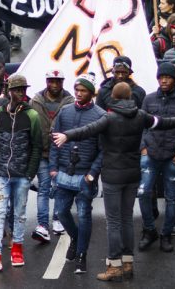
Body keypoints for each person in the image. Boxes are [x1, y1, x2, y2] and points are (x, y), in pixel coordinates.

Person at [54, 82, 175, 282]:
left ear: (113, 97)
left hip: (112, 176)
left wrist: (66, 135)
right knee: (126, 220)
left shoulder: (108, 118)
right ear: (130, 96)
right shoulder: (141, 116)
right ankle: (128, 263)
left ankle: (114, 265)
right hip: (132, 174)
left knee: (113, 222)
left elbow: (86, 131)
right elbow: (164, 122)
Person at [0, 74, 42, 271]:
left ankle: (17, 248)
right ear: (8, 91)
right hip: (0, 174)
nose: (21, 93)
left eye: (23, 90)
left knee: (19, 214)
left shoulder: (32, 115)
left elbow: (37, 146)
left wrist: (29, 174)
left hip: (21, 176)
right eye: (17, 90)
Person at [137, 63, 175, 254]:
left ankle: (167, 234)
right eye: (161, 77)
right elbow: (142, 125)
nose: (164, 80)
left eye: (168, 77)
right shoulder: (148, 98)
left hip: (173, 156)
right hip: (150, 154)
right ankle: (149, 230)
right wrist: (143, 147)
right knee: (143, 192)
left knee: (172, 198)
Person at [49, 74, 103, 274]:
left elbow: (102, 149)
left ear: (91, 93)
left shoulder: (100, 115)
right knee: (61, 212)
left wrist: (92, 173)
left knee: (83, 214)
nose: (79, 94)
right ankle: (75, 238)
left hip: (84, 174)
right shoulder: (65, 112)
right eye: (77, 90)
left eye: (83, 91)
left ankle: (82, 254)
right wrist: (53, 168)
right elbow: (54, 140)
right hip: (63, 172)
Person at [29, 69, 73, 243]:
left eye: (58, 81)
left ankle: (57, 219)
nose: (54, 84)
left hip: (62, 152)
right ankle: (42, 225)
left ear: (62, 82)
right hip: (41, 152)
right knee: (44, 189)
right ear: (47, 81)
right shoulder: (35, 101)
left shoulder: (70, 101)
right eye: (51, 81)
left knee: (60, 188)